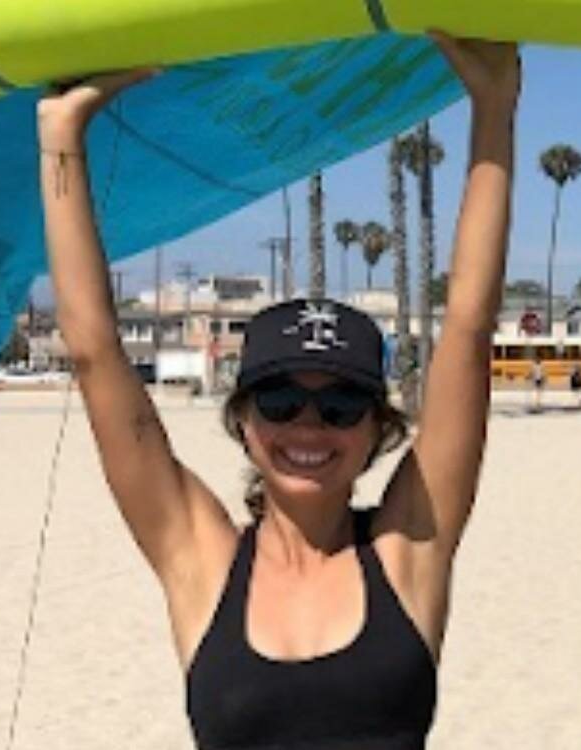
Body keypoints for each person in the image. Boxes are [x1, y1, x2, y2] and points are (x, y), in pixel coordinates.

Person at [36, 33, 518, 749]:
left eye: (341, 406)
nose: (309, 427)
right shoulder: (199, 557)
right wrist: (61, 139)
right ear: (243, 421)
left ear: (379, 430)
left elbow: (469, 327)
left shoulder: (408, 547)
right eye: (280, 402)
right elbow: (93, 349)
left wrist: (494, 109)